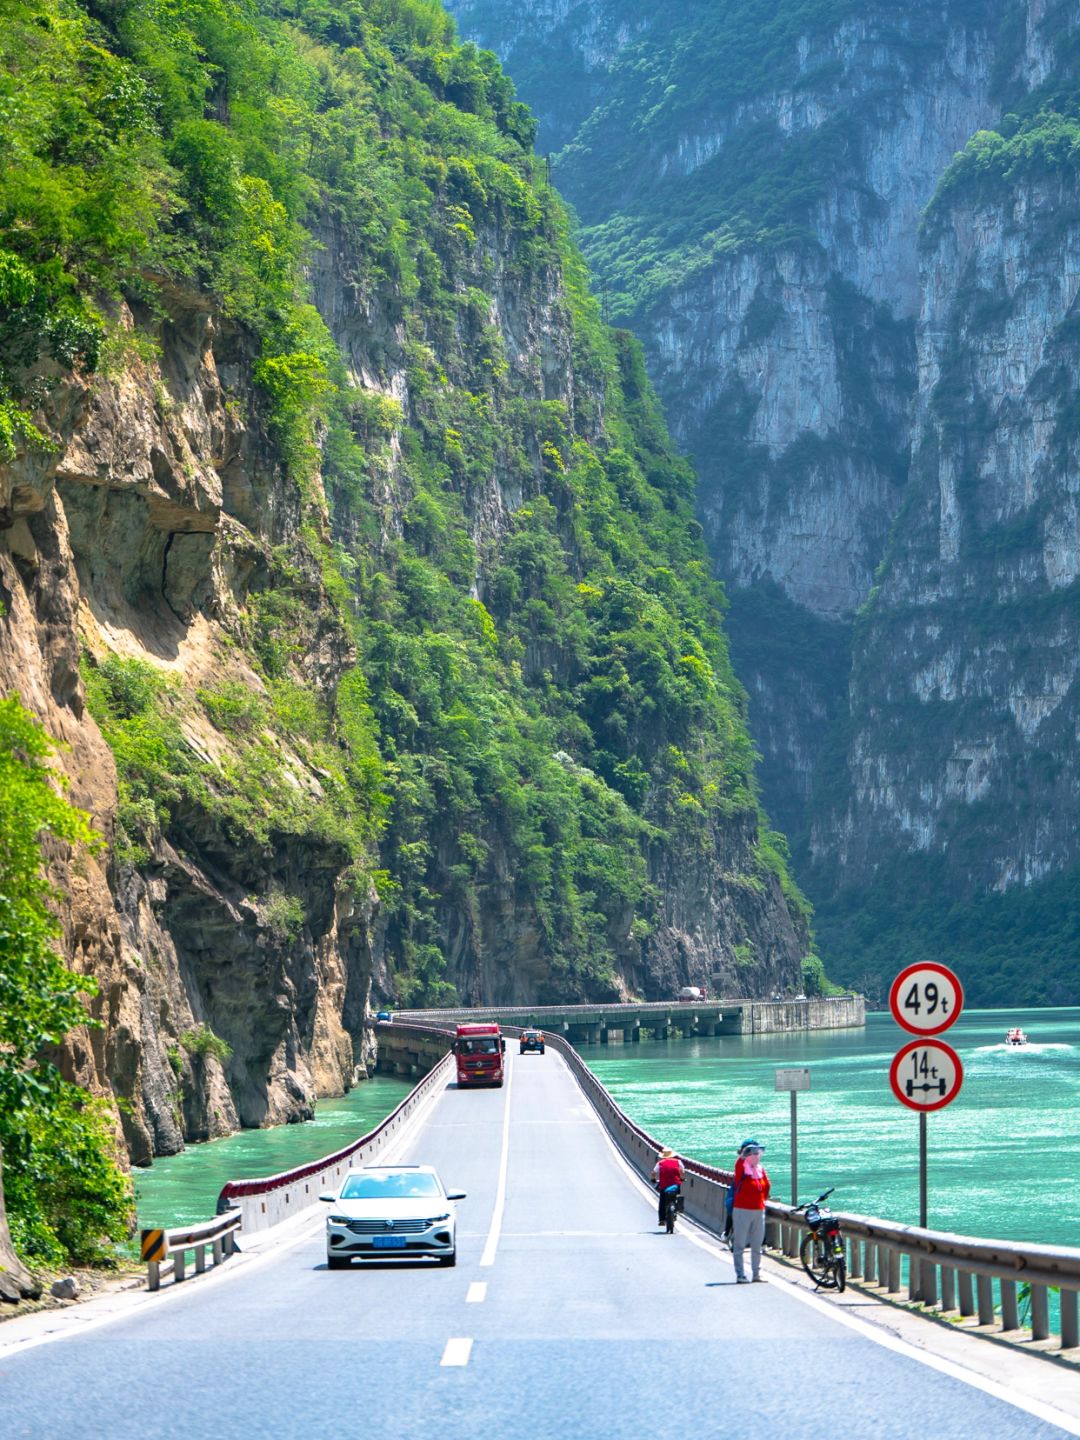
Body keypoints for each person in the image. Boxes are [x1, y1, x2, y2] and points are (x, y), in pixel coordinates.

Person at [730, 1138, 770, 1283]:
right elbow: (739, 1162)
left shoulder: (760, 1169)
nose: (755, 1154)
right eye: (751, 1151)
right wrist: (743, 1154)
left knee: (757, 1244)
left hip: (758, 1210)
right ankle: (740, 1274)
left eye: (757, 1151)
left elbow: (766, 1187)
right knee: (739, 1244)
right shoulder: (741, 1166)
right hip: (742, 1209)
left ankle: (756, 1274)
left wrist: (761, 1201)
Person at [651, 1146, 686, 1225]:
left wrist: (653, 1179)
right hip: (675, 1184)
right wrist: (682, 1178)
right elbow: (683, 1172)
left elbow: (653, 1173)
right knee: (677, 1196)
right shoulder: (678, 1162)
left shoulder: (660, 1163)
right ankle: (677, 1210)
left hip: (664, 1185)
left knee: (662, 1201)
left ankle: (662, 1220)